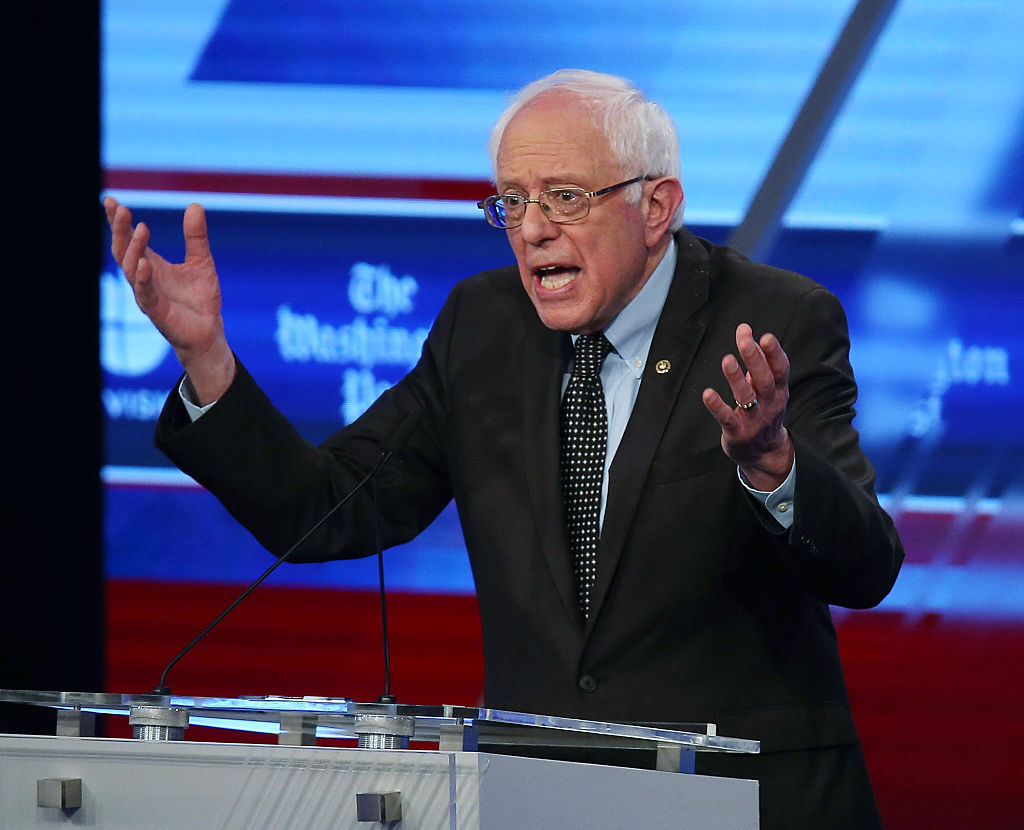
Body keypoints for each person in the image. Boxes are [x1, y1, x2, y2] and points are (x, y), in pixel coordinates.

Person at [106, 68, 903, 830]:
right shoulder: (482, 328)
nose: (530, 230)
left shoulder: (774, 319)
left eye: (564, 198)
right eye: (512, 202)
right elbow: (326, 509)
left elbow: (867, 565)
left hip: (746, 801)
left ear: (656, 206)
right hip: (541, 800)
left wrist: (776, 468)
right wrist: (207, 359)